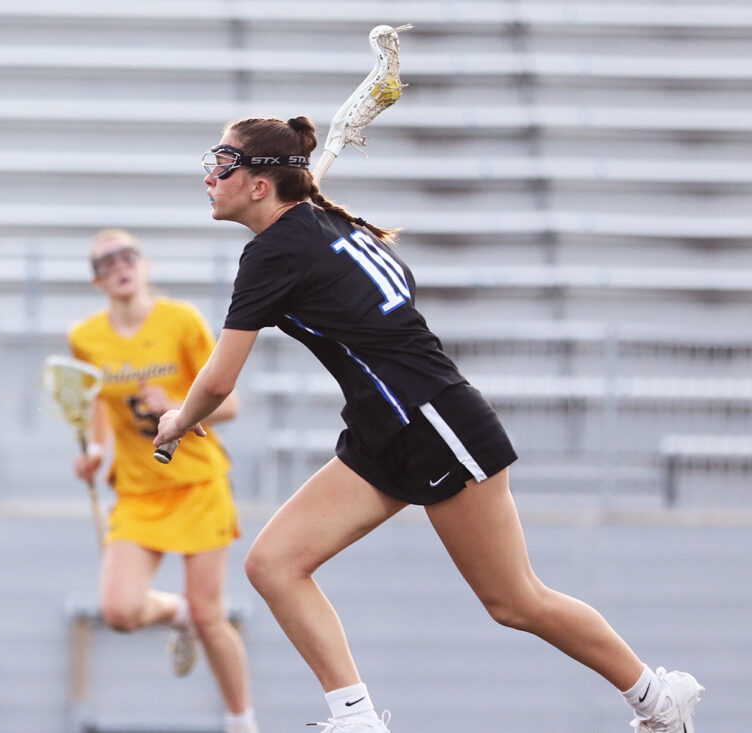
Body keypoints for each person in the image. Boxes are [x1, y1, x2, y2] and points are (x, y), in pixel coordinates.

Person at [152, 116, 703, 733]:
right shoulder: (322, 228)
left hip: (433, 420)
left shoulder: (277, 250)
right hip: (382, 427)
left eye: (223, 163)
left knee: (514, 600)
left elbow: (220, 380)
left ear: (259, 185)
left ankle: (658, 698)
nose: (208, 176)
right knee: (273, 564)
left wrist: (178, 419)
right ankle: (355, 719)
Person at [70, 229, 257, 733]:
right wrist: (93, 450)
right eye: (105, 263)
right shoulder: (86, 339)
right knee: (120, 611)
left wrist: (179, 404)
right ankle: (177, 612)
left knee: (211, 617)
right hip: (137, 491)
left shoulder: (181, 321)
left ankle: (241, 722)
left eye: (126, 256)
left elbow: (231, 404)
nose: (119, 266)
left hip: (197, 483)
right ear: (96, 281)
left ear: (144, 264)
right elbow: (102, 406)